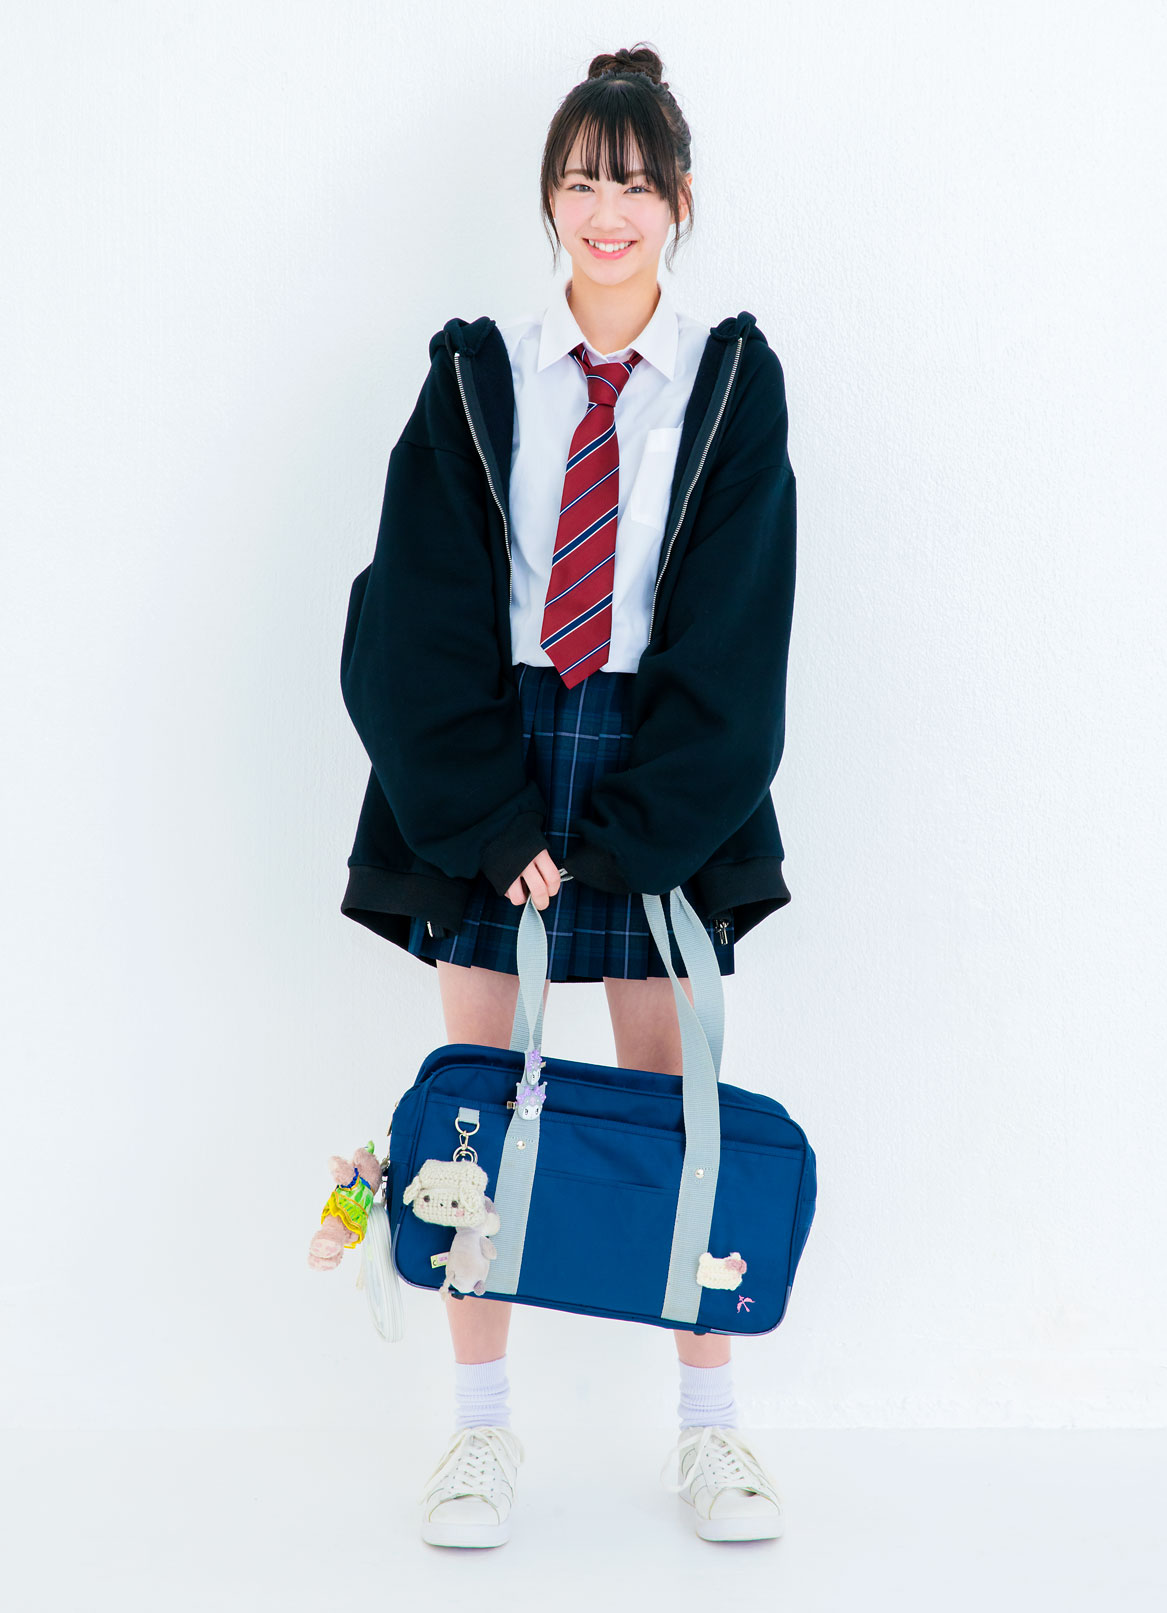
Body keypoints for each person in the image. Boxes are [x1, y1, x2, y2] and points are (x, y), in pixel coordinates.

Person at [339, 42, 797, 1548]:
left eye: (638, 184)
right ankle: (479, 1435)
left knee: (675, 1096)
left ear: (680, 202)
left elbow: (739, 624)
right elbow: (410, 609)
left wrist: (645, 833)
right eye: (585, 181)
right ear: (550, 196)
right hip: (495, 749)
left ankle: (711, 1433)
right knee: (481, 1101)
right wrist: (489, 818)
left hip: (659, 761)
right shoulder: (480, 374)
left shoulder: (726, 381)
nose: (610, 212)